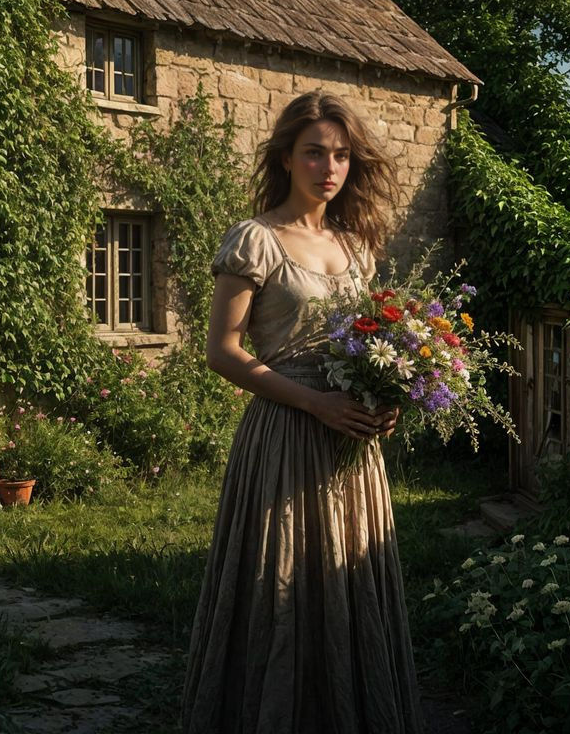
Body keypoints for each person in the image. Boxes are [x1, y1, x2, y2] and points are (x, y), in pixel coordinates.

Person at [181, 91, 425, 733]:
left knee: (348, 579)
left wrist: (386, 399)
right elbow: (223, 353)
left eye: (341, 155)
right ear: (286, 157)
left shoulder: (356, 247)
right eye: (314, 152)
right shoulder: (255, 239)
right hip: (287, 433)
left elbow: (372, 346)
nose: (330, 167)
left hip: (350, 443)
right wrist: (315, 401)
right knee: (280, 575)